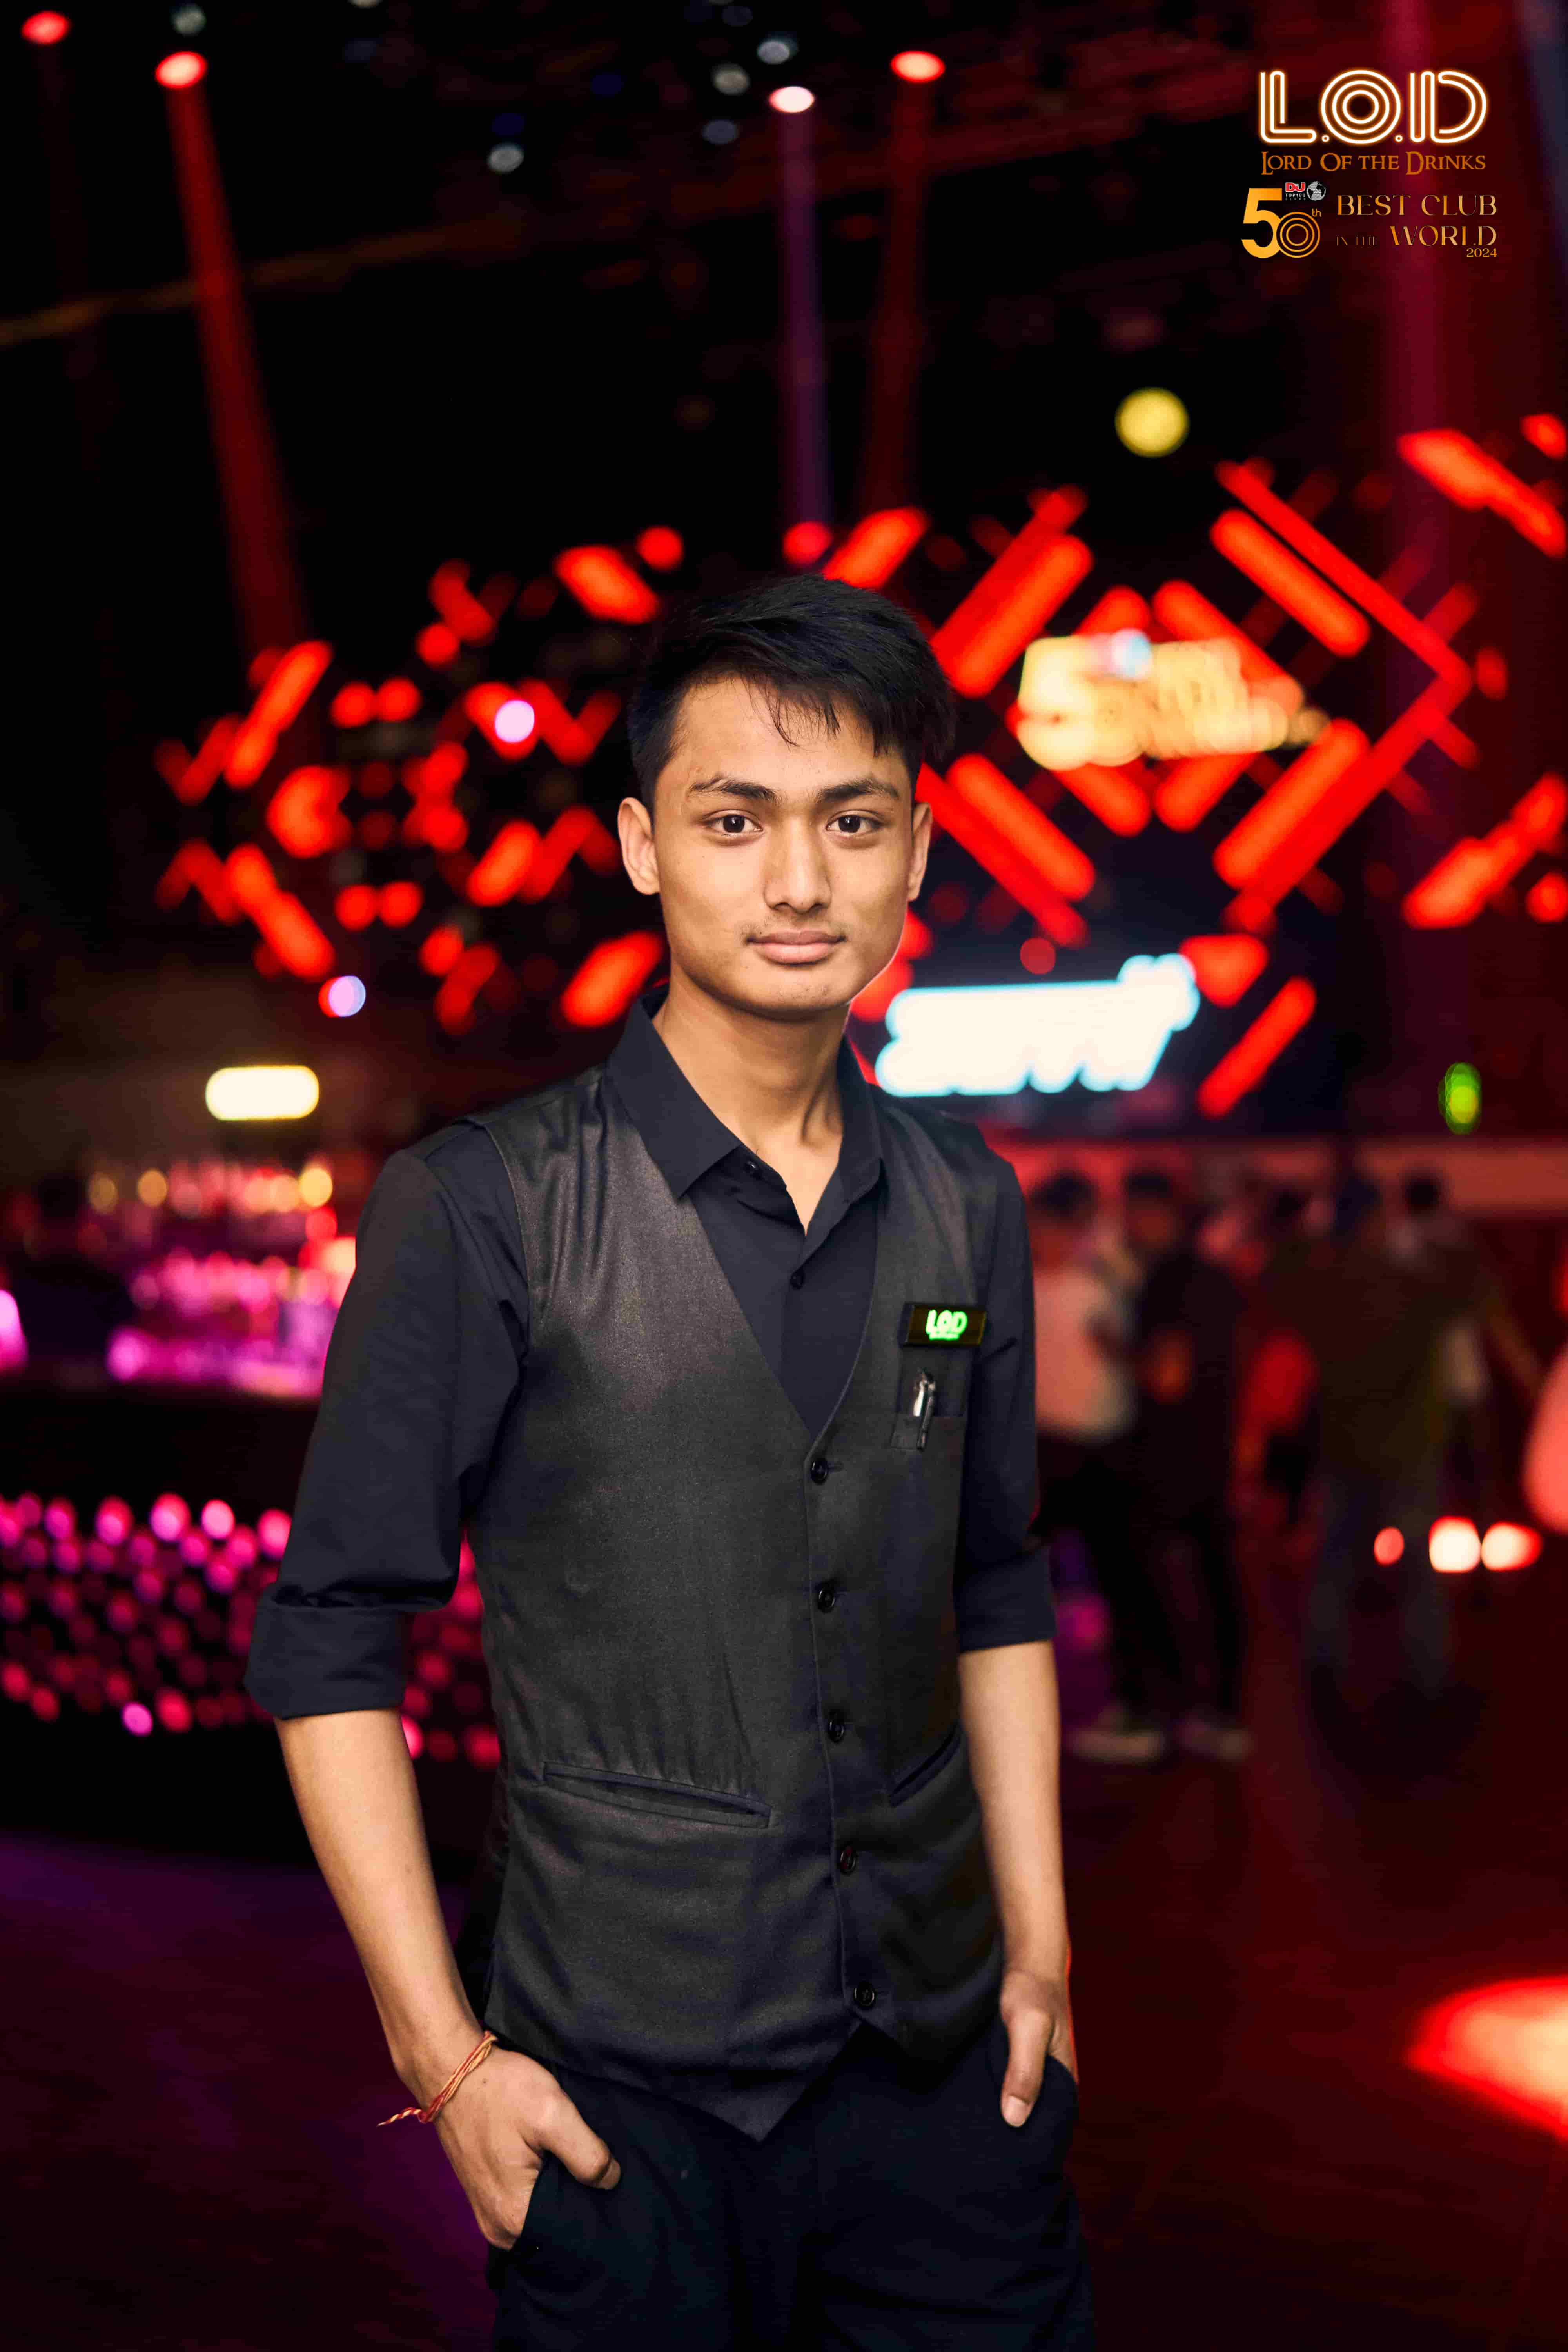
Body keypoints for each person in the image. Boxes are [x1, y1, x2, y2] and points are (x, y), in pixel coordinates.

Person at [246, 576, 1092, 2350]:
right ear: (641, 845)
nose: (798, 880)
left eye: (850, 821)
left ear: (917, 852)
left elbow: (997, 1587)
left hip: (947, 2088)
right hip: (614, 2106)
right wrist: (442, 2059)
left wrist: (1041, 1954)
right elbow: (329, 1638)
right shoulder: (481, 1206)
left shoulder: (968, 1205)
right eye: (732, 819)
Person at [1260, 1178, 1515, 1708]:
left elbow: (1274, 1281)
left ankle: (1323, 1668)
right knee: (1418, 1571)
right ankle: (1428, 1678)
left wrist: (1306, 1236)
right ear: (1380, 1223)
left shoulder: (1323, 1286)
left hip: (1343, 1445)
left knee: (1335, 1563)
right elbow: (1480, 1290)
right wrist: (1438, 1239)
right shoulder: (1411, 1282)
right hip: (1409, 1446)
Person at [1029, 1171, 1169, 1766]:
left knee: (1121, 1580)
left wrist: (1123, 1349)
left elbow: (1135, 1356)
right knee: (1016, 1583)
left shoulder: (1101, 1284)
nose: (1042, 1240)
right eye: (1035, 1228)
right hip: (1042, 1447)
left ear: (1074, 1230)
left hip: (1102, 1450)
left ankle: (1139, 1705)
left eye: (1051, 1228)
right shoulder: (1016, 1284)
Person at [1118, 1169, 1249, 1762]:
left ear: (1157, 1213)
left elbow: (1167, 1377)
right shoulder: (1216, 1277)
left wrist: (1112, 1348)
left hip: (1169, 1455)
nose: (1127, 1225)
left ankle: (1158, 1711)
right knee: (1218, 1581)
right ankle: (1223, 1711)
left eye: (1132, 1213)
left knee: (1147, 1581)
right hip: (1213, 1446)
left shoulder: (1164, 1282)